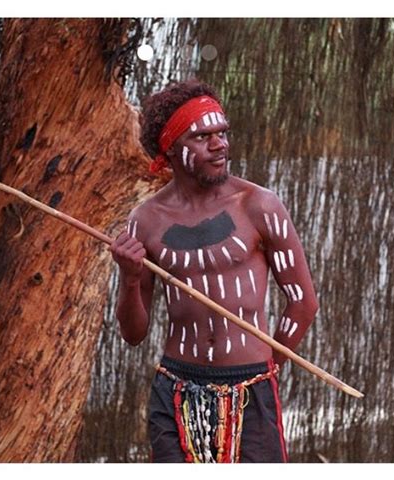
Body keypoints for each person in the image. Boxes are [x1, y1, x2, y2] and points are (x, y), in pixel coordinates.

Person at [109, 79, 319, 463]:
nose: (220, 144)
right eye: (202, 136)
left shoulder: (259, 206)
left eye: (222, 133)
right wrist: (129, 277)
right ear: (170, 149)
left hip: (252, 390)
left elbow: (302, 303)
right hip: (174, 390)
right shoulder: (147, 220)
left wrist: (268, 367)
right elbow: (133, 334)